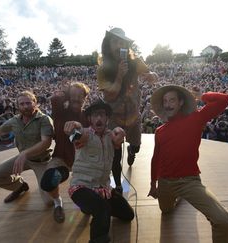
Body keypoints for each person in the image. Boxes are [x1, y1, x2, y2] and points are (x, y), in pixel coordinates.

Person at [147, 85, 228, 243]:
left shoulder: (196, 118)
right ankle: (179, 197)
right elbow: (156, 158)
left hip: (189, 182)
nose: (168, 104)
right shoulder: (160, 131)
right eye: (165, 101)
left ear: (181, 102)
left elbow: (225, 99)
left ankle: (182, 195)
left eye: (172, 100)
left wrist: (202, 96)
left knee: (224, 221)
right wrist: (153, 184)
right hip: (165, 183)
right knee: (166, 211)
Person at [0, 91, 54, 205]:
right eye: (22, 104)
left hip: (42, 161)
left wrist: (24, 154)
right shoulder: (15, 121)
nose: (25, 106)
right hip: (24, 158)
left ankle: (52, 179)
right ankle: (20, 186)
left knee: (49, 201)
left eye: (28, 103)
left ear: (35, 103)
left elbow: (46, 142)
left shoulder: (44, 119)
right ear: (18, 106)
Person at [65, 99, 134, 243]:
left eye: (102, 115)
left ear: (107, 118)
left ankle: (92, 207)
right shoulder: (84, 134)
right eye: (95, 115)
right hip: (82, 187)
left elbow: (117, 140)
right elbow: (74, 135)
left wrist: (120, 132)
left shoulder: (111, 136)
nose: (99, 118)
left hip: (104, 189)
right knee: (102, 209)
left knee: (128, 215)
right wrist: (74, 127)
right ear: (89, 119)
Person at [97, 27, 158, 181]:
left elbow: (152, 75)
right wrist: (119, 75)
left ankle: (132, 151)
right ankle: (117, 185)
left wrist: (152, 75)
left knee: (136, 146)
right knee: (115, 155)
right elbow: (109, 96)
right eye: (115, 42)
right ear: (107, 45)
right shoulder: (104, 69)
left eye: (121, 42)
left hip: (133, 116)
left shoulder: (135, 62)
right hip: (113, 118)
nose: (118, 46)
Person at [39, 82, 90, 223]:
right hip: (62, 157)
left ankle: (87, 202)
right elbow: (55, 99)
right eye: (72, 95)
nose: (76, 98)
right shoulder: (60, 113)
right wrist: (67, 92)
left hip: (83, 160)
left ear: (85, 98)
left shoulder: (88, 116)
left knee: (89, 200)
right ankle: (58, 203)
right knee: (49, 181)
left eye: (80, 96)